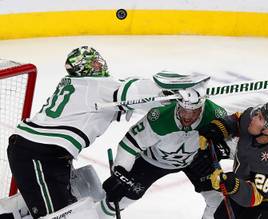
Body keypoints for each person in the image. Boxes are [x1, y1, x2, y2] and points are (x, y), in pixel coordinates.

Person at [4, 46, 179, 219]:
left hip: (43, 154)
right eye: (94, 63)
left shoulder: (77, 83)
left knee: (78, 203)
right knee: (59, 216)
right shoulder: (95, 85)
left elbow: (124, 93)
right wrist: (173, 89)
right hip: (39, 157)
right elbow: (134, 90)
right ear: (84, 69)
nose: (100, 65)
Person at [100, 80, 232, 219]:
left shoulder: (216, 115)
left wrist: (224, 149)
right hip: (153, 161)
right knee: (121, 197)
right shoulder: (159, 117)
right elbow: (130, 144)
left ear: (202, 108)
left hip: (196, 158)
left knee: (218, 201)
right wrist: (121, 172)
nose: (187, 117)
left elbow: (235, 145)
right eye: (183, 110)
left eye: (193, 112)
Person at [199, 102, 268, 219]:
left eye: (259, 117)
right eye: (257, 113)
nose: (253, 117)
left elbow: (255, 197)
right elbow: (237, 120)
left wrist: (232, 185)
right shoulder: (252, 123)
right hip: (246, 183)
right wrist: (216, 129)